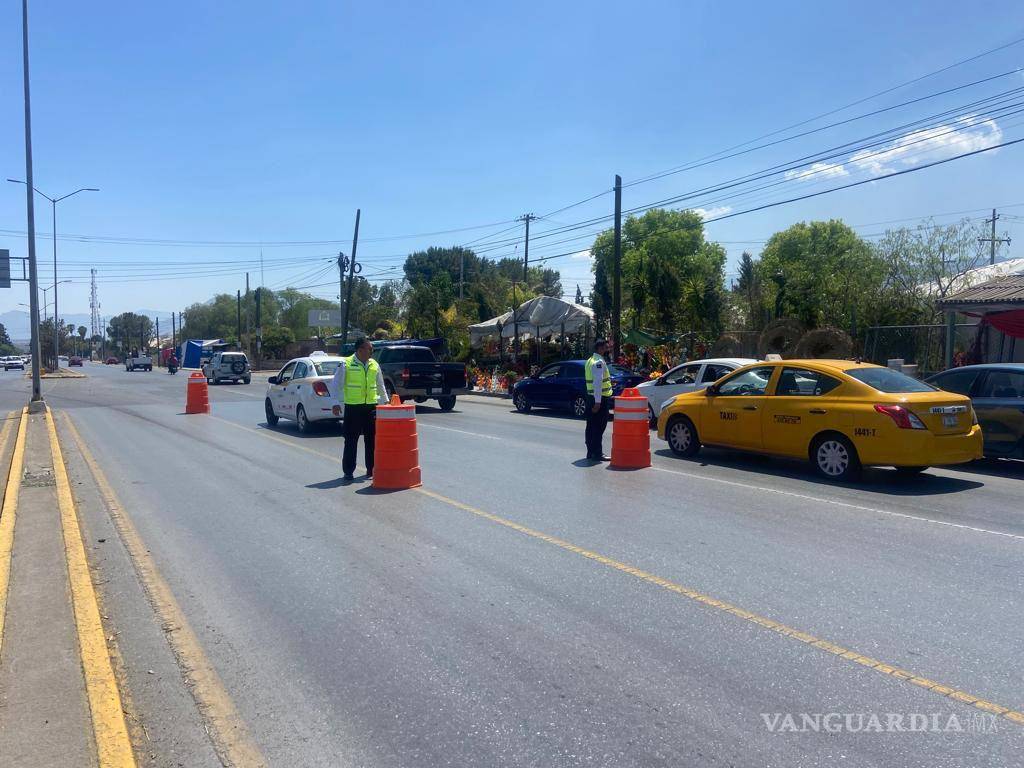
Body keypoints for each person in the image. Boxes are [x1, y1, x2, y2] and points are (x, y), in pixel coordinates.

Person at [331, 338, 388, 483]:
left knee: (372, 440)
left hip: (370, 407)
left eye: (371, 349)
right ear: (360, 349)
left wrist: (386, 402)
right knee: (351, 440)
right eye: (370, 349)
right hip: (353, 407)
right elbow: (336, 384)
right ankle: (348, 471)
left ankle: (371, 469)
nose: (371, 352)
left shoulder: (374, 364)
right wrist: (335, 403)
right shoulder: (346, 364)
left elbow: (380, 385)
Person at [584, 338, 613, 462]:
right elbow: (597, 382)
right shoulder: (598, 362)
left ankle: (590, 451)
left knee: (591, 426)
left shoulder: (590, 360)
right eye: (605, 347)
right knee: (599, 427)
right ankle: (597, 453)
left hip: (591, 397)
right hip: (600, 398)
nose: (606, 349)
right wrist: (598, 402)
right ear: (600, 349)